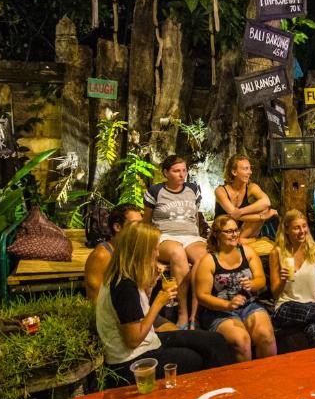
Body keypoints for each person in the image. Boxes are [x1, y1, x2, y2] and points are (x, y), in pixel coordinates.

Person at [97, 221, 233, 386]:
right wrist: (158, 303)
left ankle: (226, 387)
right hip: (130, 361)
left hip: (147, 343)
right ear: (142, 250)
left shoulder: (126, 274)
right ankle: (219, 390)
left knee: (214, 341)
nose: (157, 254)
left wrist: (151, 283)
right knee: (195, 359)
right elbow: (133, 340)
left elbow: (137, 312)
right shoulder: (124, 285)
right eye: (155, 248)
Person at [194, 216, 277, 361]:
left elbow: (261, 280)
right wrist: (227, 305)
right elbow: (202, 295)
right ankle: (244, 380)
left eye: (236, 230)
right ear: (218, 235)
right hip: (220, 311)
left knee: (265, 335)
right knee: (241, 340)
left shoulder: (247, 252)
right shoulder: (209, 261)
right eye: (229, 231)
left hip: (249, 305)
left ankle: (268, 378)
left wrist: (252, 284)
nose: (234, 234)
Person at [85, 204, 177, 332]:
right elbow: (95, 300)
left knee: (178, 331)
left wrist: (151, 280)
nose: (140, 228)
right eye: (135, 224)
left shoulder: (135, 253)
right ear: (117, 227)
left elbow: (141, 296)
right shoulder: (102, 256)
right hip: (122, 320)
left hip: (141, 312)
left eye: (141, 223)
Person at [144, 155, 206, 329]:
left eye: (184, 170)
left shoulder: (193, 189)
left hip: (191, 236)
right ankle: (182, 313)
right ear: (165, 173)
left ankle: (195, 315)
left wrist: (199, 236)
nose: (182, 175)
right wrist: (147, 248)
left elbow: (196, 217)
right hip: (165, 236)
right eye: (176, 171)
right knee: (178, 253)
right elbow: (146, 221)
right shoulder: (155, 191)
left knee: (203, 258)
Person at [268, 209, 315, 347]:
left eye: (304, 226)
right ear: (287, 230)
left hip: (314, 305)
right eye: (296, 228)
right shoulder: (277, 253)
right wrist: (283, 280)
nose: (302, 231)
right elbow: (275, 294)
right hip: (287, 307)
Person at [214, 154, 278, 243]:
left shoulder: (252, 187)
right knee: (263, 212)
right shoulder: (220, 191)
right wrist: (262, 217)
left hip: (240, 231)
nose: (250, 172)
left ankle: (241, 239)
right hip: (223, 231)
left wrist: (241, 211)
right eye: (245, 169)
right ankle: (249, 240)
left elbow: (266, 202)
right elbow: (233, 215)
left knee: (264, 209)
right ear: (234, 172)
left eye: (249, 168)